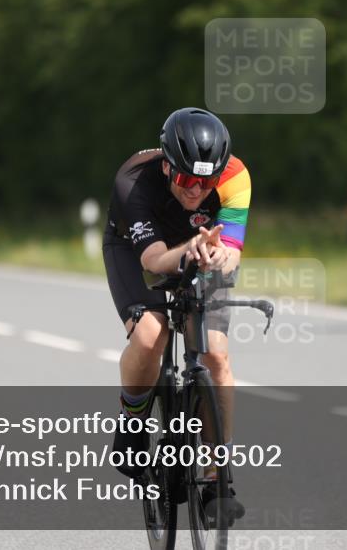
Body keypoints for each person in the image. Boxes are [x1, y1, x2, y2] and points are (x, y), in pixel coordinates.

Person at [103, 107, 250, 519]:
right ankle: (132, 426)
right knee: (151, 335)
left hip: (201, 249)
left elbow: (232, 252)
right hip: (137, 247)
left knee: (215, 356)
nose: (195, 191)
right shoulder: (133, 181)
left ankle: (217, 478)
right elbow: (151, 261)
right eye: (186, 179)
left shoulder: (236, 177)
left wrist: (219, 254)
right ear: (167, 165)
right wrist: (188, 249)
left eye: (206, 182)